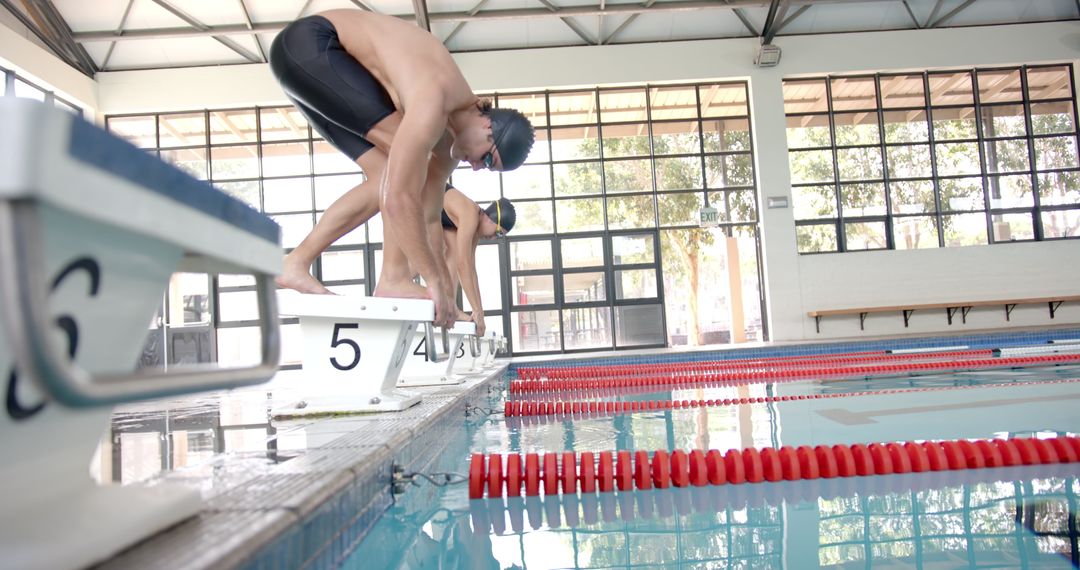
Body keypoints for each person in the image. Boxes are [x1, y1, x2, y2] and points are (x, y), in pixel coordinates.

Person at [268, 9, 534, 327]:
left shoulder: (448, 147)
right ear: (487, 123)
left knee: (388, 172)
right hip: (312, 45)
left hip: (310, 68)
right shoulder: (434, 98)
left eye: (488, 168)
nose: (477, 168)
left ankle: (296, 263)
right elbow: (398, 199)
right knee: (405, 169)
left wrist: (446, 294)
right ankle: (392, 279)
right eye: (488, 159)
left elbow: (429, 216)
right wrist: (434, 281)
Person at [441, 185, 516, 337]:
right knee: (435, 251)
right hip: (420, 195)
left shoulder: (474, 231)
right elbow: (464, 266)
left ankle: (451, 306)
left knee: (453, 251)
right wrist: (476, 310)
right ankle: (398, 285)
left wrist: (480, 310)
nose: (494, 238)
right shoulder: (470, 215)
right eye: (498, 233)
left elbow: (470, 269)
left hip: (435, 211)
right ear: (489, 217)